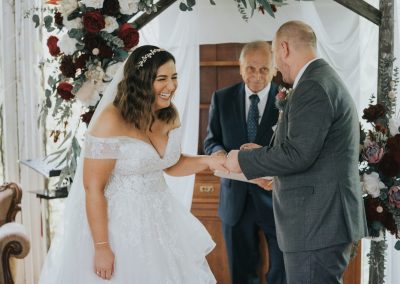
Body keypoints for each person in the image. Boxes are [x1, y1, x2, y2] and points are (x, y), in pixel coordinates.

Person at [39, 45, 228, 284]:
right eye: (162, 79)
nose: (171, 86)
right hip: (120, 226)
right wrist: (101, 247)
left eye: (174, 77)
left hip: (163, 221)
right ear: (141, 81)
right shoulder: (111, 119)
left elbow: (171, 164)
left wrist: (209, 161)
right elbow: (93, 187)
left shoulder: (169, 114)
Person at [224, 21, 368, 284]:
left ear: (284, 48)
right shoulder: (321, 79)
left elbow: (298, 154)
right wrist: (268, 160)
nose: (276, 65)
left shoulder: (313, 85)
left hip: (317, 224)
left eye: (274, 55)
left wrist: (241, 159)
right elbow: (311, 152)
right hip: (319, 223)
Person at [204, 41, 286, 284]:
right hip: (235, 201)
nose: (257, 75)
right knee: (242, 274)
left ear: (273, 70)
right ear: (240, 68)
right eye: (251, 68)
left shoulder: (288, 101)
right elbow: (211, 141)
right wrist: (219, 154)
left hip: (276, 200)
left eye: (263, 69)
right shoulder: (221, 98)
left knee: (281, 273)